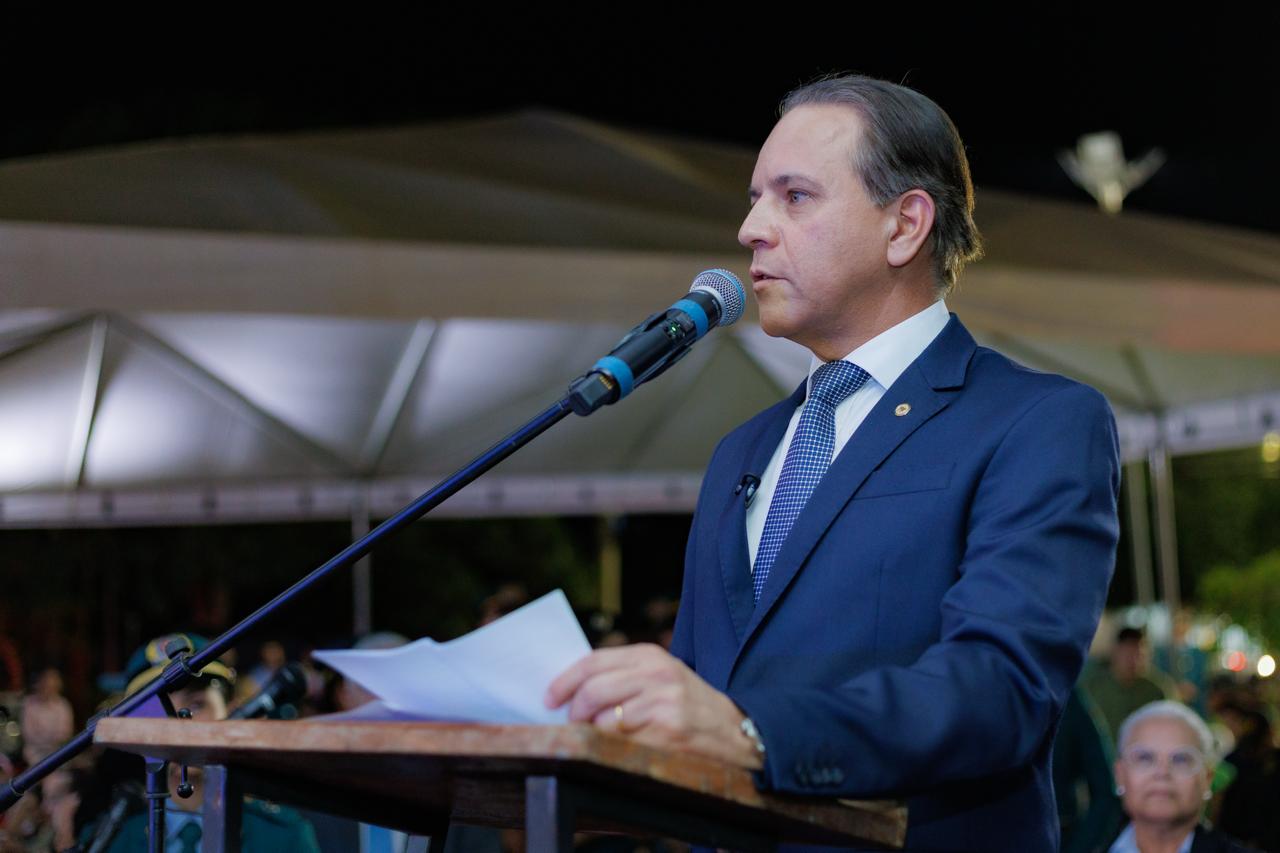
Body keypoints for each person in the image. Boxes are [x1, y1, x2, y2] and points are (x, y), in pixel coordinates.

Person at [547, 73, 1121, 851]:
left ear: (905, 225)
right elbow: (702, 692)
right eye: (755, 198)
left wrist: (751, 731)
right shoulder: (740, 451)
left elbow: (1001, 689)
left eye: (794, 197)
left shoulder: (1037, 422)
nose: (751, 228)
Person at [1110, 701, 1257, 853]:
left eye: (1181, 760)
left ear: (1207, 779)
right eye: (1144, 758)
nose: (1162, 773)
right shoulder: (1095, 845)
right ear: (1119, 775)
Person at [1084, 627, 1177, 744]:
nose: (1134, 662)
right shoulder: (1093, 686)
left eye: (1140, 656)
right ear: (1116, 652)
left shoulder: (1158, 688)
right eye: (1128, 654)